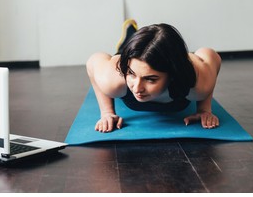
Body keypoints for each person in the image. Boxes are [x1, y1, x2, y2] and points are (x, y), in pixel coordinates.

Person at [86, 19, 221, 133]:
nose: (137, 88)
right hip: (126, 59)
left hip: (180, 61)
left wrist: (204, 109)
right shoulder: (115, 79)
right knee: (125, 51)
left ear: (173, 75)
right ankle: (130, 32)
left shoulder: (197, 84)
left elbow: (211, 55)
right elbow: (92, 62)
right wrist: (107, 112)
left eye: (150, 79)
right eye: (131, 74)